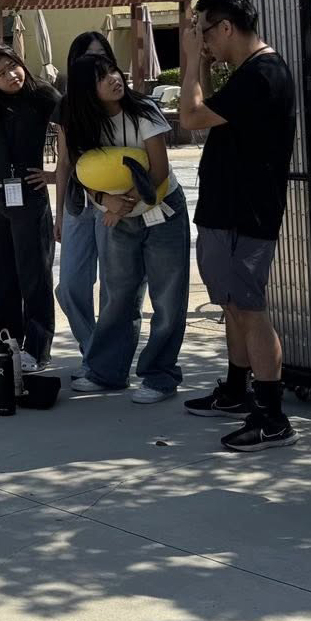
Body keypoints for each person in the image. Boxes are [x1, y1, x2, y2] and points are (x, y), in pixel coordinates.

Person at [176, 0, 299, 451]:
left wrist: (191, 61)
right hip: (229, 208)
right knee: (233, 305)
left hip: (245, 213)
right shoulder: (252, 72)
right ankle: (235, 389)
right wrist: (201, 60)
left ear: (226, 27)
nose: (203, 41)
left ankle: (271, 416)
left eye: (204, 32)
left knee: (249, 309)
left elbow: (190, 117)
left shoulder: (262, 74)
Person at [62, 53, 188, 402]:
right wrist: (106, 200)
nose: (114, 79)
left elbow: (159, 170)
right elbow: (81, 174)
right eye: (102, 77)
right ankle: (107, 372)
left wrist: (124, 204)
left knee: (168, 297)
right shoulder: (82, 123)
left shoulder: (144, 110)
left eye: (113, 71)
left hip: (162, 211)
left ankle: (160, 376)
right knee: (118, 296)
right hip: (114, 215)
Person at [0, 43, 60, 372]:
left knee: (34, 275)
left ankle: (37, 349)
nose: (11, 75)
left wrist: (55, 174)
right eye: (1, 73)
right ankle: (4, 344)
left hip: (28, 195)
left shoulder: (42, 95)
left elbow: (73, 127)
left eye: (13, 66)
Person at [53, 34, 119, 360]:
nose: (96, 64)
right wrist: (58, 214)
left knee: (114, 285)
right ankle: (94, 350)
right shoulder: (67, 106)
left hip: (115, 204)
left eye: (102, 56)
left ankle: (106, 359)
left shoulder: (122, 101)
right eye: (87, 57)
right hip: (79, 203)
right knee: (69, 286)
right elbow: (64, 161)